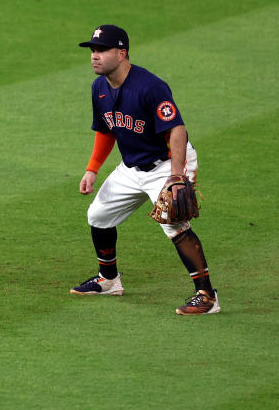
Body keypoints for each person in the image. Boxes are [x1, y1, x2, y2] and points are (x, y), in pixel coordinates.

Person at [69, 24, 219, 315]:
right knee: (98, 216)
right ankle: (109, 280)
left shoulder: (150, 86)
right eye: (92, 51)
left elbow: (177, 130)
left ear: (122, 53)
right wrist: (92, 169)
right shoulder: (99, 88)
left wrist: (176, 175)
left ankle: (207, 295)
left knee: (174, 224)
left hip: (166, 162)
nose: (94, 56)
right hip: (131, 167)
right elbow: (106, 129)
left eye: (101, 50)